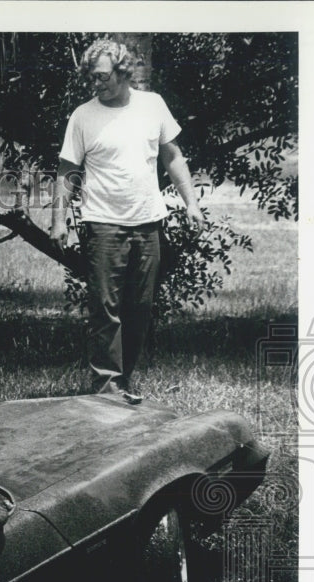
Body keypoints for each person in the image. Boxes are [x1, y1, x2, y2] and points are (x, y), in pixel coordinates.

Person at [50, 38, 204, 404]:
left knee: (140, 309)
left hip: (148, 223)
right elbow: (66, 171)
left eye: (102, 76)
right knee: (105, 309)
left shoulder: (153, 106)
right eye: (91, 77)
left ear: (122, 73)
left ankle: (124, 381)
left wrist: (192, 203)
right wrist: (59, 221)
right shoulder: (83, 116)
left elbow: (173, 157)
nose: (96, 84)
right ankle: (107, 389)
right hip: (103, 225)